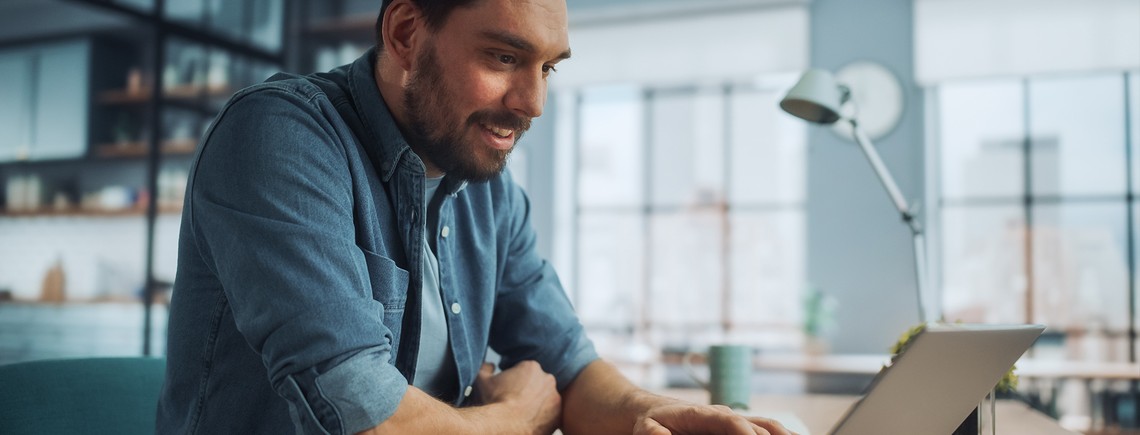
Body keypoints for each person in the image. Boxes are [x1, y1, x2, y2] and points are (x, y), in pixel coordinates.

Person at [156, 0, 793, 434]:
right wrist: (516, 420)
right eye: (503, 59)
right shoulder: (279, 136)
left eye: (547, 67)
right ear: (406, 33)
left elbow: (566, 367)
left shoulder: (486, 186)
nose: (534, 103)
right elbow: (362, 415)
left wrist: (657, 412)